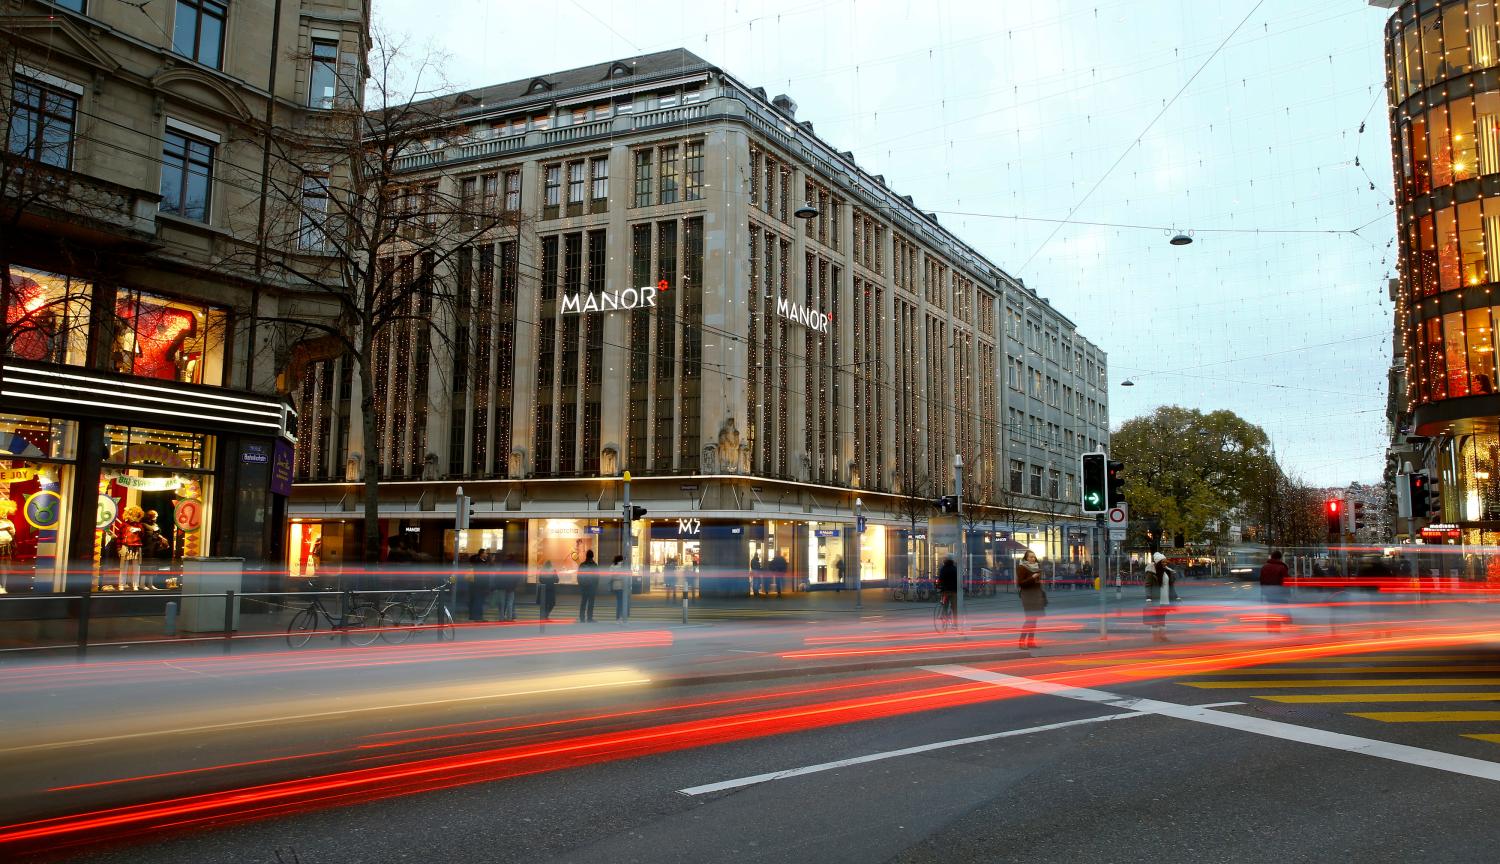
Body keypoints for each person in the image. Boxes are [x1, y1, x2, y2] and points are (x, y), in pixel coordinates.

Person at [1016, 550, 1047, 648]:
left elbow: (1038, 583)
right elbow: (1020, 583)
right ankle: (1021, 642)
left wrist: (1042, 596)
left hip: (1036, 595)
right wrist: (1032, 577)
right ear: (1026, 558)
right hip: (1027, 595)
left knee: (1034, 620)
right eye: (1030, 557)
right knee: (1029, 619)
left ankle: (1030, 642)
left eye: (1033, 557)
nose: (1032, 559)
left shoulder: (1037, 567)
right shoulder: (1022, 568)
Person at [1259, 549, 1290, 633]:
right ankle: (1276, 629)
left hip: (1268, 593)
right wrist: (1288, 593)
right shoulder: (1282, 567)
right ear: (1280, 558)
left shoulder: (1264, 567)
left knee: (1271, 609)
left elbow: (1261, 581)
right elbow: (1286, 581)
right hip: (1279, 593)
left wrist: (1262, 593)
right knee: (1279, 610)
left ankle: (1270, 628)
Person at [1144, 552, 1172, 642]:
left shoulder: (1166, 571)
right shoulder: (1151, 572)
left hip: (1165, 599)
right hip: (1156, 598)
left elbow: (1169, 585)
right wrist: (1148, 598)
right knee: (1155, 618)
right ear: (1158, 562)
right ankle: (1155, 637)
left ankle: (1162, 636)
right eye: (1163, 562)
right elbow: (1147, 585)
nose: (1165, 563)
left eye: (1165, 562)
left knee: (1162, 618)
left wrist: (1175, 597)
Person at [467, 548, 492, 621]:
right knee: (479, 601)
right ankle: (478, 617)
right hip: (480, 585)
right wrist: (486, 587)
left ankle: (473, 616)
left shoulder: (478, 562)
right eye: (485, 553)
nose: (486, 555)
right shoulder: (480, 563)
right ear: (481, 554)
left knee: (475, 601)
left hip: (475, 585)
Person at [577, 549, 599, 622]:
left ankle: (582, 618)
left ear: (586, 556)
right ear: (592, 556)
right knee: (591, 603)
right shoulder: (594, 565)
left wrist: (581, 584)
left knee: (583, 602)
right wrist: (595, 585)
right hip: (592, 587)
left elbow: (579, 576)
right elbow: (597, 577)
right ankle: (589, 618)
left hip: (584, 586)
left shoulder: (582, 565)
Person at [497, 555, 521, 622]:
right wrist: (515, 585)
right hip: (511, 586)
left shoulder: (503, 564)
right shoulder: (516, 565)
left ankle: (501, 618)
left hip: (502, 586)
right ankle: (509, 618)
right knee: (510, 602)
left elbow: (499, 575)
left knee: (502, 602)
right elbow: (518, 577)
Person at [610, 554, 628, 620]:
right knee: (620, 602)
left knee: (619, 601)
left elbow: (610, 576)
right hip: (621, 585)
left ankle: (619, 617)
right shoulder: (621, 566)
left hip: (615, 585)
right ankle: (619, 617)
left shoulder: (612, 566)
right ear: (621, 560)